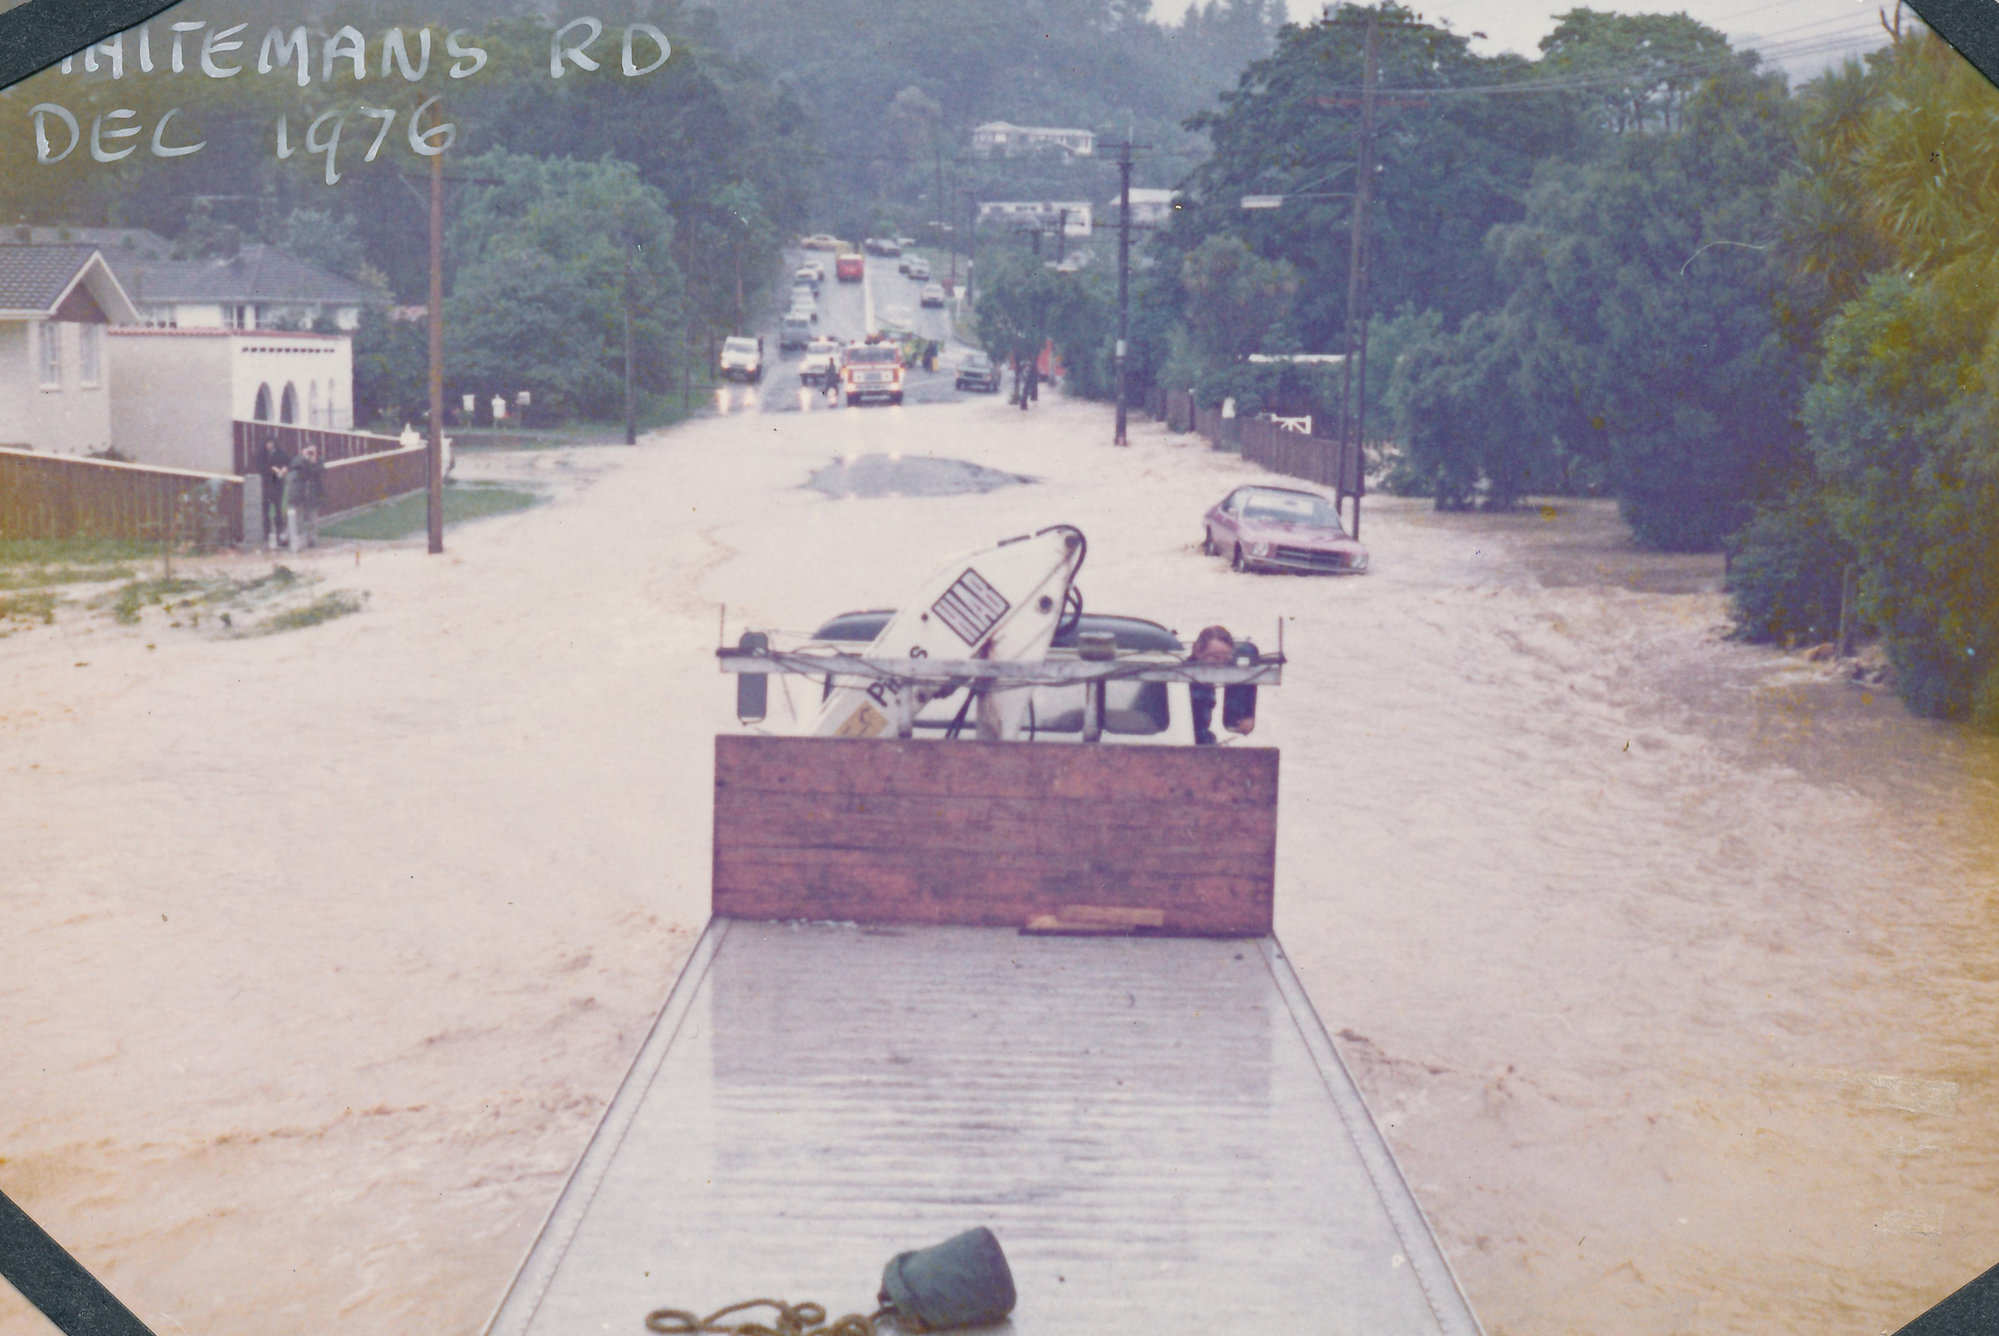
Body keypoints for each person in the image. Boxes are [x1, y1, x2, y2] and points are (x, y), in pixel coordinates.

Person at [1188, 625, 1257, 745]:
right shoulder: (1186, 681)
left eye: (1225, 659)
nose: (1220, 664)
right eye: (1214, 657)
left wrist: (1247, 715)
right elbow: (1196, 729)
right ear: (1198, 651)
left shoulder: (1214, 680)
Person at [284, 443, 325, 553]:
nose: (311, 454)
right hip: (300, 493)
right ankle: (290, 537)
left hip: (313, 494)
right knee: (297, 517)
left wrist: (313, 461)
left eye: (313, 452)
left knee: (313, 518)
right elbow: (293, 465)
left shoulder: (319, 461)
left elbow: (317, 471)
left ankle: (311, 539)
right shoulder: (299, 460)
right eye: (309, 451)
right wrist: (304, 457)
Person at [257, 434, 292, 550]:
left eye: (271, 443)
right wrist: (271, 468)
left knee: (278, 510)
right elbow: (259, 467)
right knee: (265, 511)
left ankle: (279, 535)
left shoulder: (280, 453)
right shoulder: (261, 454)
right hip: (266, 485)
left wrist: (285, 468)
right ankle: (266, 535)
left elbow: (288, 462)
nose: (269, 445)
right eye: (268, 443)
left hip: (277, 486)